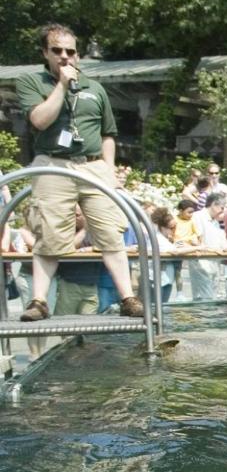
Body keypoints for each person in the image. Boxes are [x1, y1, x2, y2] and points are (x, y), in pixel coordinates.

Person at [14, 23, 143, 321]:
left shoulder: (94, 88)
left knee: (110, 231)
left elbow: (108, 133)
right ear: (45, 52)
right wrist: (61, 85)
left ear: (78, 55)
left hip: (93, 164)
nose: (64, 57)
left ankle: (128, 298)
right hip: (53, 162)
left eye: (70, 51)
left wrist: (109, 172)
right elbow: (39, 120)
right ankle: (39, 301)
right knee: (48, 234)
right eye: (57, 51)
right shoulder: (31, 82)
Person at [190, 191, 227, 300]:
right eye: (222, 208)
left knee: (212, 297)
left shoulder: (216, 223)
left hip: (215, 264)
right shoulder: (197, 217)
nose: (223, 211)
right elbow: (196, 241)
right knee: (205, 298)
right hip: (201, 264)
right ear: (213, 205)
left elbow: (222, 245)